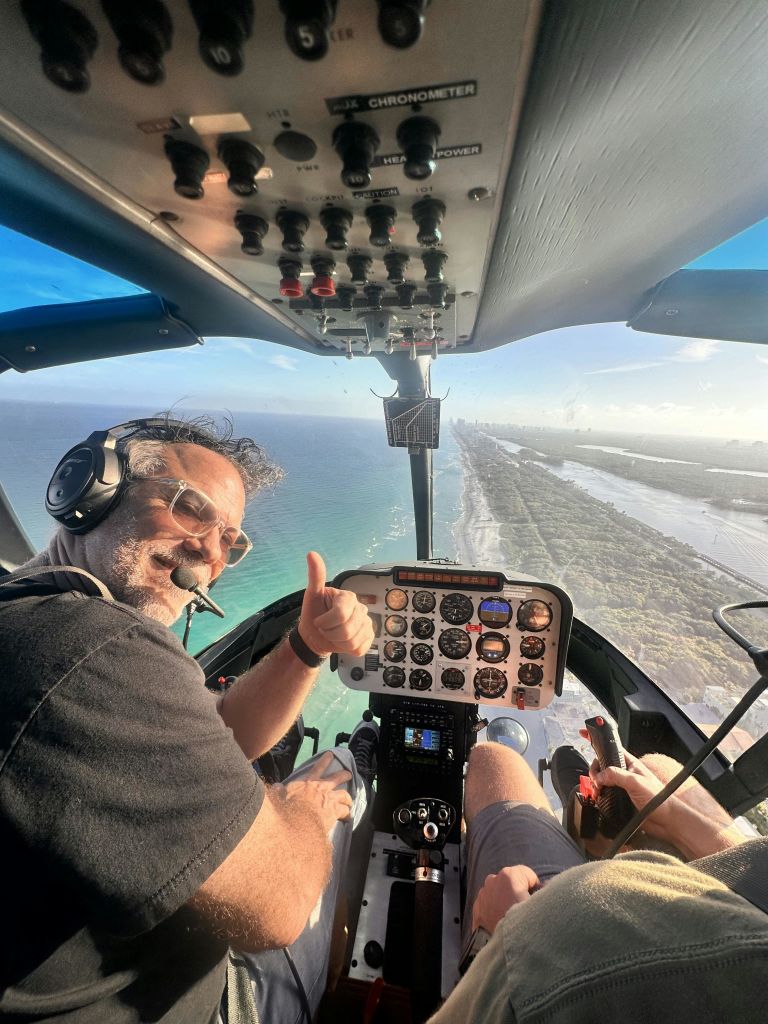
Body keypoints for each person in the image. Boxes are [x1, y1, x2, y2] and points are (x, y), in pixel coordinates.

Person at [0, 415, 377, 1023]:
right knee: (345, 777)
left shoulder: (32, 610)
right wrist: (304, 808)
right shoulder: (93, 647)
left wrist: (307, 645)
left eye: (231, 538)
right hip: (206, 1003)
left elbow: (221, 732)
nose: (211, 551)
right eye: (190, 508)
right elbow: (280, 904)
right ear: (89, 489)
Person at [429, 739, 768, 1023]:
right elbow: (755, 876)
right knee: (659, 768)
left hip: (549, 948)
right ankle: (592, 829)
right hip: (709, 904)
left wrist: (515, 929)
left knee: (493, 758)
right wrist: (670, 817)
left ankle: (586, 830)